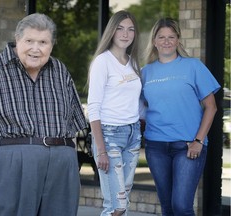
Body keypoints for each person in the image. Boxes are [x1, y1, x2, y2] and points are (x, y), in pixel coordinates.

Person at [0, 13, 87, 216]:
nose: (36, 48)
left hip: (61, 165)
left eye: (43, 42)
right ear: (17, 39)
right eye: (29, 41)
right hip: (11, 164)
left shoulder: (60, 71)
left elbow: (72, 126)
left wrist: (71, 167)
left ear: (52, 45)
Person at [141, 17, 220, 215]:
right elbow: (139, 108)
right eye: (161, 37)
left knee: (182, 206)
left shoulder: (193, 66)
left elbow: (211, 107)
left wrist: (198, 141)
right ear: (154, 41)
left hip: (188, 145)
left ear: (178, 40)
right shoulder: (145, 72)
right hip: (156, 146)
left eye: (171, 37)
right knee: (167, 207)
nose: (166, 41)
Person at [87, 10, 142, 216]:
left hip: (133, 135)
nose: (125, 34)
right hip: (109, 136)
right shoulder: (103, 61)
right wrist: (101, 149)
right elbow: (93, 107)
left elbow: (137, 102)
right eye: (120, 28)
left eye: (130, 29)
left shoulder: (134, 63)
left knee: (123, 201)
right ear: (112, 31)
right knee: (116, 205)